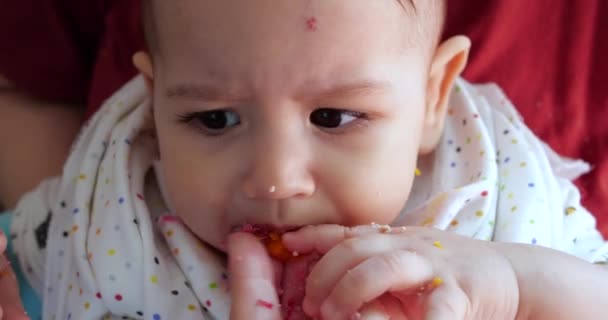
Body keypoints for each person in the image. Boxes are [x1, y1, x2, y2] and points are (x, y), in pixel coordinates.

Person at [2, 0, 608, 319]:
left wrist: (516, 286)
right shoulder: (113, 207)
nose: (275, 179)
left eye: (334, 118)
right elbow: (31, 273)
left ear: (433, 98)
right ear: (156, 103)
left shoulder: (496, 196)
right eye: (214, 120)